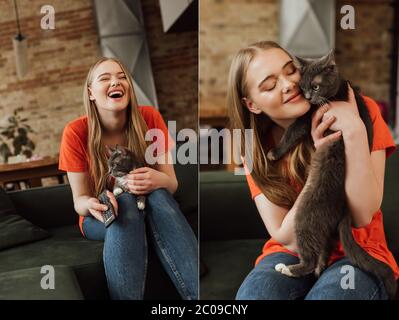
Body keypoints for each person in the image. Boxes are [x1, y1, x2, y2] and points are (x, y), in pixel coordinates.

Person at [227, 41, 399, 300]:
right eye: (270, 85)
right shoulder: (253, 149)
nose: (288, 85)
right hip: (292, 253)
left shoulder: (363, 111)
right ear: (252, 104)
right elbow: (287, 237)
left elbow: (362, 214)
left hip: (357, 252)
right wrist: (320, 162)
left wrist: (353, 130)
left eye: (290, 71)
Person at [59, 57, 198, 300]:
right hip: (100, 216)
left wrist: (157, 179)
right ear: (91, 93)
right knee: (125, 205)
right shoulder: (75, 132)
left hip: (153, 204)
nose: (116, 81)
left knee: (158, 196)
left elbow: (171, 184)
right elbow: (79, 200)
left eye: (122, 76)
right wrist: (91, 205)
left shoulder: (150, 118)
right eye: (105, 78)